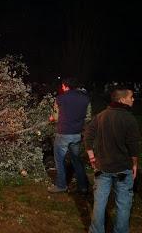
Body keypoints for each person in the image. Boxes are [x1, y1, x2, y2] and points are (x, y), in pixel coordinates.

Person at [84, 87, 140, 233]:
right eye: (131, 97)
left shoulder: (101, 116)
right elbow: (134, 146)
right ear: (122, 100)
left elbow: (88, 136)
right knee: (123, 204)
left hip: (102, 168)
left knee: (100, 203)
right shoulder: (130, 119)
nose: (133, 99)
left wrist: (91, 157)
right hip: (123, 169)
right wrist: (135, 164)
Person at [48, 78, 90, 194]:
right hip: (77, 134)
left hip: (63, 134)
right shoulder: (85, 98)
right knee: (76, 160)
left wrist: (51, 118)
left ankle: (61, 185)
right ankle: (83, 186)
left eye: (62, 86)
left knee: (59, 160)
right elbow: (87, 116)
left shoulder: (61, 98)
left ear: (65, 86)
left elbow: (55, 117)